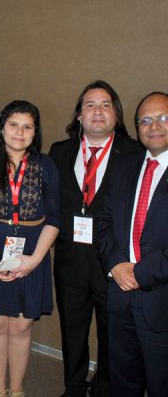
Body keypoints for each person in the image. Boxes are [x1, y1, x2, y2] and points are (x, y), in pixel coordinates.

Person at [49, 80, 141, 397]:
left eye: (105, 104)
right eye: (89, 105)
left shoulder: (135, 154)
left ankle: (104, 387)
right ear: (79, 116)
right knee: (72, 331)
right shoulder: (59, 153)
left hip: (112, 263)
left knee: (110, 333)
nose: (97, 111)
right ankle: (73, 387)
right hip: (69, 263)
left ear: (116, 114)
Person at [0, 100, 60, 397]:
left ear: (35, 132)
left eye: (27, 126)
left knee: (22, 327)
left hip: (31, 254)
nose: (20, 132)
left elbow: (55, 217)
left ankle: (18, 389)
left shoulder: (45, 165)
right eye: (13, 125)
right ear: (1, 128)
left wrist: (34, 260)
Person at [98, 91, 168, 397]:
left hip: (161, 300)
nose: (154, 126)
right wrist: (115, 264)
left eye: (163, 118)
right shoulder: (125, 165)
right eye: (146, 120)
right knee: (123, 381)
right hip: (119, 295)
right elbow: (103, 223)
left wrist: (140, 273)